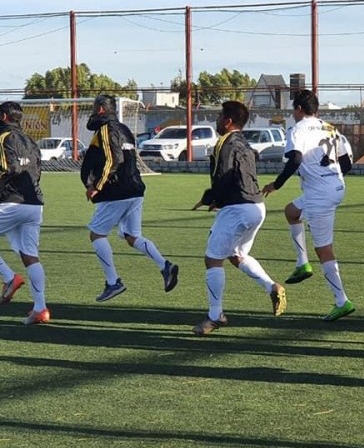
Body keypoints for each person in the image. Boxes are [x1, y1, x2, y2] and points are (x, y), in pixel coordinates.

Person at [191, 101, 287, 335]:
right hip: (256, 206)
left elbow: (222, 176)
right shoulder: (246, 143)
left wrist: (212, 198)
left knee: (212, 259)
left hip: (238, 208)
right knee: (237, 255)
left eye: (220, 115)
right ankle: (271, 286)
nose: (217, 120)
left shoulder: (224, 143)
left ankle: (215, 316)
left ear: (228, 121)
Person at [262, 89, 355, 322]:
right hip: (334, 188)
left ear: (299, 109)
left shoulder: (297, 129)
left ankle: (342, 301)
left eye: (294, 109)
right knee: (292, 212)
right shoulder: (330, 127)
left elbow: (295, 159)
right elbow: (346, 162)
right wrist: (330, 178)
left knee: (324, 249)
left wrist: (277, 184)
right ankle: (302, 264)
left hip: (319, 194)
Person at [82, 94, 178, 302]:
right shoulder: (124, 129)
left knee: (96, 234)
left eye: (93, 107)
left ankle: (113, 282)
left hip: (118, 192)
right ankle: (165, 266)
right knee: (131, 236)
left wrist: (96, 186)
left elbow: (113, 159)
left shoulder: (107, 129)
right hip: (135, 190)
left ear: (100, 110)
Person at [0, 101, 49, 325]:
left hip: (11, 203)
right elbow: (37, 171)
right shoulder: (30, 140)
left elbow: (8, 169)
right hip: (34, 204)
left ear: (3, 116)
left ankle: (9, 278)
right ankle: (40, 308)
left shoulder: (4, 138)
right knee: (30, 256)